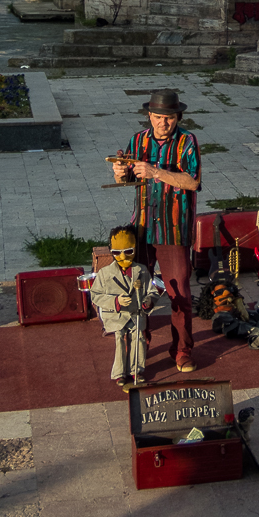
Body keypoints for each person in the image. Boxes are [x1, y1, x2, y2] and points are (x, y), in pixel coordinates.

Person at [112, 90, 201, 373]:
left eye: (170, 118)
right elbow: (127, 177)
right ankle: (139, 347)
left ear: (178, 118)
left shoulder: (187, 141)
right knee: (137, 290)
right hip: (143, 226)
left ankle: (182, 350)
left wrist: (156, 172)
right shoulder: (137, 141)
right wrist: (118, 172)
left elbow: (193, 182)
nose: (164, 123)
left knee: (180, 293)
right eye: (159, 117)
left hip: (174, 228)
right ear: (149, 116)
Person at [90, 225, 162, 386]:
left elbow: (152, 292)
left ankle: (136, 370)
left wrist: (148, 302)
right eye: (117, 252)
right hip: (117, 315)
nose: (123, 256)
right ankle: (119, 373)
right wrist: (116, 301)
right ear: (111, 251)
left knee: (138, 340)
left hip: (136, 314)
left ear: (135, 249)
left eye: (128, 251)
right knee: (120, 341)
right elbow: (95, 296)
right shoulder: (105, 274)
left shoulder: (141, 270)